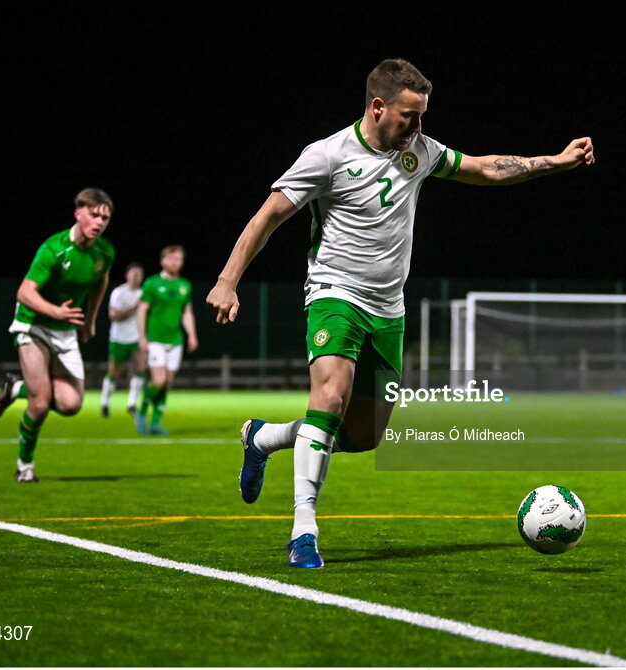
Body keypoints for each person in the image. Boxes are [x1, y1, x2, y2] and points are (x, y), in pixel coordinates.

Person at [206, 58, 594, 568]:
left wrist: (554, 162)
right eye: (410, 116)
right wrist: (227, 280)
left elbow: (482, 166)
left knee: (364, 436)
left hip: (388, 309)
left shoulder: (420, 151)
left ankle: (264, 436)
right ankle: (304, 529)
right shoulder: (327, 155)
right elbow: (267, 217)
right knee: (331, 394)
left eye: (422, 116)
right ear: (378, 106)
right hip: (334, 293)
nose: (418, 127)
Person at [0, 188, 115, 482]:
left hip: (65, 331)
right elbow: (24, 292)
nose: (99, 222)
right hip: (32, 325)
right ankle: (25, 466)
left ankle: (14, 387)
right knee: (41, 402)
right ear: (78, 214)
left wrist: (91, 319)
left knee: (71, 405)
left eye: (105, 217)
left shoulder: (104, 252)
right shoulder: (54, 249)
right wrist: (54, 311)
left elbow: (101, 280)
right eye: (94, 215)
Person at [135, 245, 198, 435]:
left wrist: (192, 335)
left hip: (176, 341)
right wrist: (142, 337)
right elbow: (142, 310)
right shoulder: (152, 283)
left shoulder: (185, 285)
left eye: (178, 259)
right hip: (156, 340)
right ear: (163, 261)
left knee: (167, 383)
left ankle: (155, 423)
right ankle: (142, 409)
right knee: (159, 381)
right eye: (171, 259)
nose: (175, 262)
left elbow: (187, 312)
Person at [100, 262, 147, 418]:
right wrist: (134, 308)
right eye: (133, 273)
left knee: (140, 370)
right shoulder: (118, 292)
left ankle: (132, 404)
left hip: (137, 338)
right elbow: (114, 315)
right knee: (114, 372)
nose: (136, 277)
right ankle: (105, 403)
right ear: (127, 275)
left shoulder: (144, 293)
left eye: (139, 274)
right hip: (118, 338)